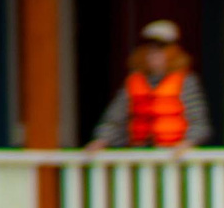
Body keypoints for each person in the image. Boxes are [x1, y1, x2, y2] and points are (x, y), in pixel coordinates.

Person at [84, 19, 213, 152]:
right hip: (141, 154)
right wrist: (101, 140)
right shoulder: (133, 82)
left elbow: (199, 123)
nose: (154, 55)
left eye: (161, 50)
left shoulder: (186, 82)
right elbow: (114, 118)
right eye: (150, 50)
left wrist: (188, 143)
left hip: (173, 157)